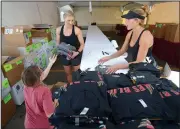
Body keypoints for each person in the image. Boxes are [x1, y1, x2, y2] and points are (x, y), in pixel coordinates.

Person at [99, 8, 156, 74]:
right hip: (133, 65)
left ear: (136, 20)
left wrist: (118, 66)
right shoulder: (130, 33)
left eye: (128, 19)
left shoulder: (145, 36)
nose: (125, 22)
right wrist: (109, 57)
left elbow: (139, 62)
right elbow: (122, 51)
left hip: (146, 69)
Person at [22, 55, 59, 129]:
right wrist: (55, 103)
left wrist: (50, 63)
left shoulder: (26, 85)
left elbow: (41, 76)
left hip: (29, 124)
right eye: (40, 70)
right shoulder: (44, 91)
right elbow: (49, 114)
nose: (42, 70)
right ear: (39, 77)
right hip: (42, 125)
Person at [56, 10, 85, 83]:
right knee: (68, 73)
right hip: (65, 55)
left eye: (72, 20)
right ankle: (71, 86)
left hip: (75, 54)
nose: (71, 22)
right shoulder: (59, 30)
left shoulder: (77, 30)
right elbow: (58, 43)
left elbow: (82, 44)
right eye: (68, 20)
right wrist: (63, 51)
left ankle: (79, 87)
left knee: (77, 73)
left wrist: (77, 52)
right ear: (64, 19)